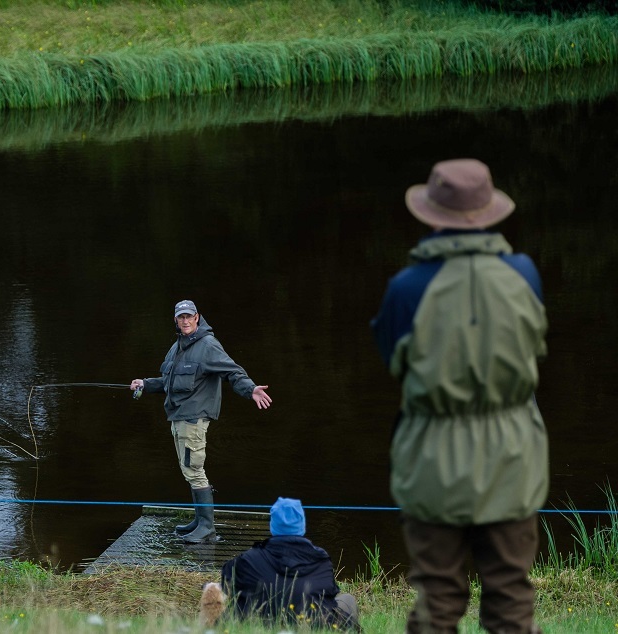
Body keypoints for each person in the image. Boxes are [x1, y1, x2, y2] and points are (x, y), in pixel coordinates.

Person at [371, 159, 549, 633]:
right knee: (511, 595)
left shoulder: (406, 288)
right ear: (491, 213)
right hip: (512, 453)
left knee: (438, 597)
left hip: (433, 457)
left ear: (432, 216)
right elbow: (537, 348)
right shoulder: (525, 274)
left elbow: (394, 361)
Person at [130, 299, 272, 543]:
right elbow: (168, 382)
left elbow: (232, 371)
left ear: (197, 318)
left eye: (189, 317)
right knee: (188, 469)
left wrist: (251, 390)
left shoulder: (207, 345)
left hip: (194, 418)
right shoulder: (178, 347)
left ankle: (207, 528)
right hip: (178, 416)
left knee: (194, 470)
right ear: (175, 320)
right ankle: (199, 520)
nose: (185, 321)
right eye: (180, 317)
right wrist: (145, 384)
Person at [215, 497, 360, 630]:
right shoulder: (321, 558)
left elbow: (227, 586)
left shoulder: (248, 559)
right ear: (302, 525)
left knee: (226, 612)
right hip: (312, 624)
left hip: (259, 624)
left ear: (273, 526)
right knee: (347, 599)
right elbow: (330, 594)